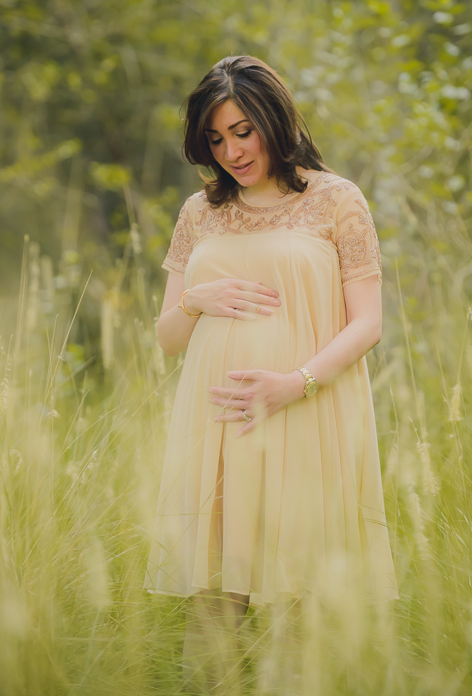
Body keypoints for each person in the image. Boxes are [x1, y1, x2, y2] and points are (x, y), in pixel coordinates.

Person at [144, 55, 399, 662]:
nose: (231, 151)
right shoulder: (198, 213)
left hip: (304, 410)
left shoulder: (335, 199)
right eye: (215, 138)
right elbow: (167, 337)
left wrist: (295, 383)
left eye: (242, 131)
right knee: (213, 599)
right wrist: (195, 299)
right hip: (219, 425)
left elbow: (367, 323)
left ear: (274, 122)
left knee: (299, 591)